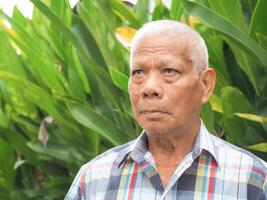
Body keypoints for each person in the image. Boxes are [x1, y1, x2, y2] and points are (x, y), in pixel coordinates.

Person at [65, 20, 266, 200]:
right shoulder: (93, 179)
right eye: (139, 72)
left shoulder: (252, 180)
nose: (149, 88)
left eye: (169, 71)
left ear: (205, 84)